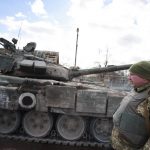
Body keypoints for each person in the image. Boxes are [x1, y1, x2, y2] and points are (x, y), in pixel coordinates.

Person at [111, 61, 150, 150]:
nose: (129, 78)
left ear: (145, 77)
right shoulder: (138, 89)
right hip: (120, 144)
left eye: (132, 75)